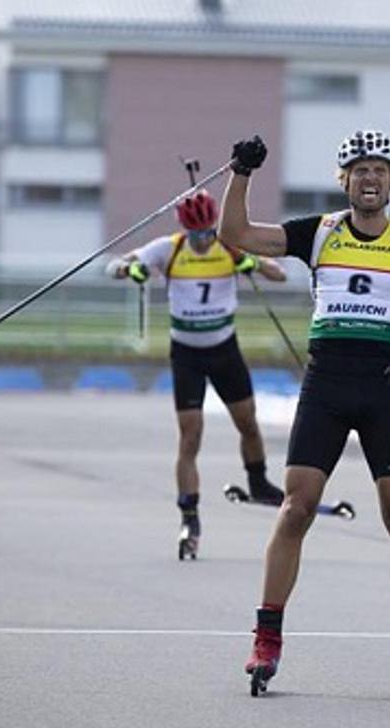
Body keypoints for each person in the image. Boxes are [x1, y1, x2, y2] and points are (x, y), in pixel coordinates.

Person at [218, 130, 390, 695]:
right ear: (343, 180)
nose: (369, 179)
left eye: (379, 170)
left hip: (384, 387)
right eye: (359, 170)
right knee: (297, 507)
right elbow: (235, 234)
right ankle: (266, 638)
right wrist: (241, 173)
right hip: (326, 383)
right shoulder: (319, 232)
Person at [107, 188, 288, 560]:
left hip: (224, 350)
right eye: (196, 234)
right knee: (190, 437)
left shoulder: (229, 246)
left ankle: (258, 481)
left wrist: (251, 265)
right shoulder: (169, 249)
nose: (203, 241)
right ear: (185, 230)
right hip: (187, 354)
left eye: (207, 232)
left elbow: (279, 275)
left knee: (248, 424)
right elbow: (113, 266)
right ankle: (189, 515)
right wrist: (132, 268)